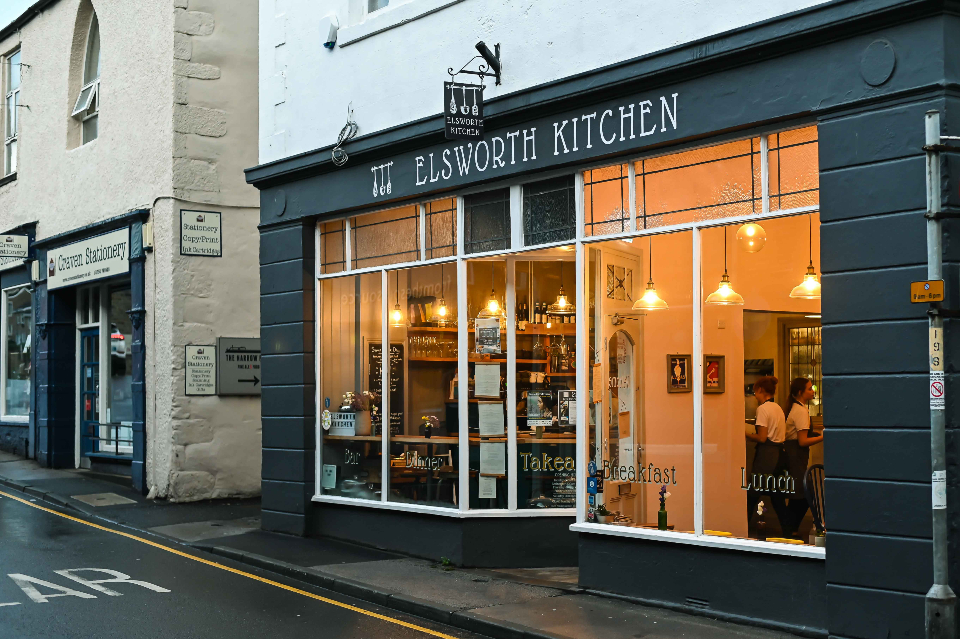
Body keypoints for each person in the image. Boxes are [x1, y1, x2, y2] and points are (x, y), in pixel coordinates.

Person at [745, 376, 790, 535]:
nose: (754, 395)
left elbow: (762, 437)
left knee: (752, 494)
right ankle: (787, 531)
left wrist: (745, 433)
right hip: (780, 454)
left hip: (767, 455)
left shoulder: (762, 409)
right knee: (777, 497)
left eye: (755, 392)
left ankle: (743, 528)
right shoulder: (778, 407)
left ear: (761, 390)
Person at [783, 377, 823, 536]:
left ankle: (790, 530)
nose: (813, 391)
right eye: (809, 388)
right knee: (804, 494)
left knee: (799, 496)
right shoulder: (800, 411)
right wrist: (823, 437)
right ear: (800, 392)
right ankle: (790, 529)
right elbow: (802, 441)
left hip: (795, 457)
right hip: (795, 457)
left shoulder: (798, 408)